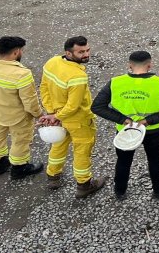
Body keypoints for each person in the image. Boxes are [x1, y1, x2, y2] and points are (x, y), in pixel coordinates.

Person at [91, 50, 159, 200]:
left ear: (129, 65)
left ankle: (120, 191)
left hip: (125, 131)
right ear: (149, 65)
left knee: (123, 161)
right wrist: (148, 121)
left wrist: (122, 119)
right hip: (152, 131)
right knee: (155, 159)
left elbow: (97, 107)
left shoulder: (115, 82)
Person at [41, 36, 104, 197]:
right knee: (82, 151)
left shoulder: (52, 63)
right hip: (79, 121)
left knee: (58, 145)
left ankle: (53, 176)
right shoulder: (77, 77)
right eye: (81, 52)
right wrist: (57, 116)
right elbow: (73, 105)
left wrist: (51, 113)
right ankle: (84, 185)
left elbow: (44, 88)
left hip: (57, 115)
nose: (86, 54)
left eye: (87, 50)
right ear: (68, 53)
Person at [0, 36, 45, 181]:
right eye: (21, 51)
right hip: (18, 116)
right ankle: (19, 168)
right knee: (21, 140)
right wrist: (39, 115)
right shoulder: (21, 74)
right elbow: (30, 101)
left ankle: (0, 164)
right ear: (16, 52)